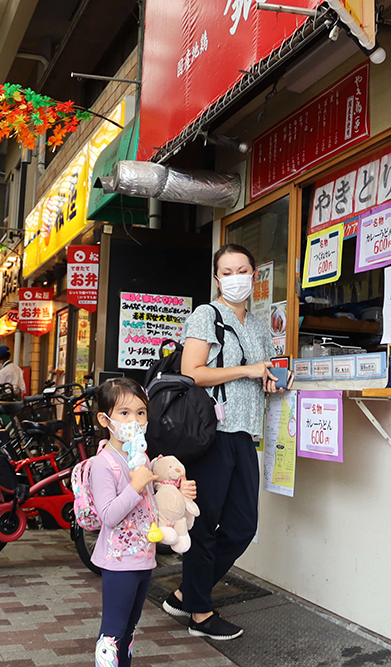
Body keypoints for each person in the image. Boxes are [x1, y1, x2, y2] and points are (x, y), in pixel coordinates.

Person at [163, 244, 281, 640]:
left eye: (242, 269)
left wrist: (271, 377)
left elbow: (263, 371)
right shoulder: (205, 315)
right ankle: (200, 613)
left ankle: (185, 594)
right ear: (217, 278)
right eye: (227, 271)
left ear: (254, 275)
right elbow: (191, 372)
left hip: (245, 434)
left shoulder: (260, 325)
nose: (235, 278)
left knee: (243, 526)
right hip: (211, 436)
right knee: (204, 525)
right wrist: (248, 370)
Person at [91, 377, 195, 667]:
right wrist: (135, 486)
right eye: (124, 413)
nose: (134, 420)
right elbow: (109, 515)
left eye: (140, 412)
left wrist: (174, 491)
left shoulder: (142, 457)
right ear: (105, 419)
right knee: (111, 635)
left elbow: (153, 502)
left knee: (129, 630)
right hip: (118, 561)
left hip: (143, 558)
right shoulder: (104, 463)